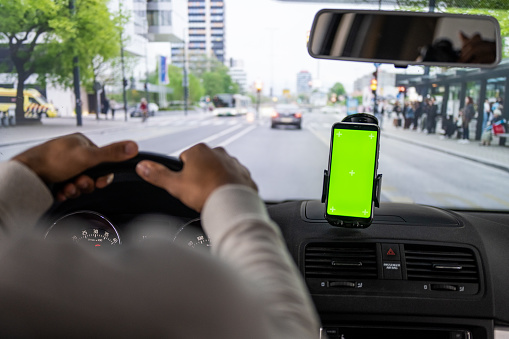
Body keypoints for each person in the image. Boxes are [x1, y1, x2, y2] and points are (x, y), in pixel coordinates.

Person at [0, 134, 320, 337]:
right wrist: (231, 197)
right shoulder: (170, 297)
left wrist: (28, 170)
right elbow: (288, 329)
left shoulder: (17, 275)